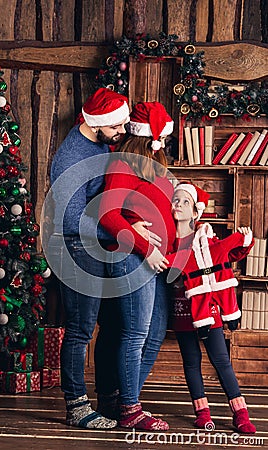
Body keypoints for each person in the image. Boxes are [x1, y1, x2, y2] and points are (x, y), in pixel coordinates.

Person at [48, 87, 133, 429]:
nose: (122, 132)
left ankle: (109, 400)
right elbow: (71, 219)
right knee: (80, 329)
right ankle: (77, 406)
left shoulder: (102, 142)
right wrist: (121, 232)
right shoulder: (70, 157)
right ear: (98, 123)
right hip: (76, 247)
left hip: (100, 246)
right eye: (117, 126)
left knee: (112, 323)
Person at [97, 101, 176, 431]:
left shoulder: (154, 166)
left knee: (154, 334)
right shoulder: (123, 164)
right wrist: (146, 247)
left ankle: (123, 400)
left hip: (158, 264)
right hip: (133, 258)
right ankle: (130, 409)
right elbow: (108, 213)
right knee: (135, 334)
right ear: (151, 138)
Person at [166, 182, 256, 434]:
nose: (178, 204)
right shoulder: (166, 240)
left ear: (196, 212)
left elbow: (228, 255)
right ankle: (202, 413)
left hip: (208, 308)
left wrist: (245, 240)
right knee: (191, 361)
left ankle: (240, 413)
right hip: (182, 309)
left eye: (185, 201)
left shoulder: (206, 239)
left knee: (220, 360)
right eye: (176, 200)